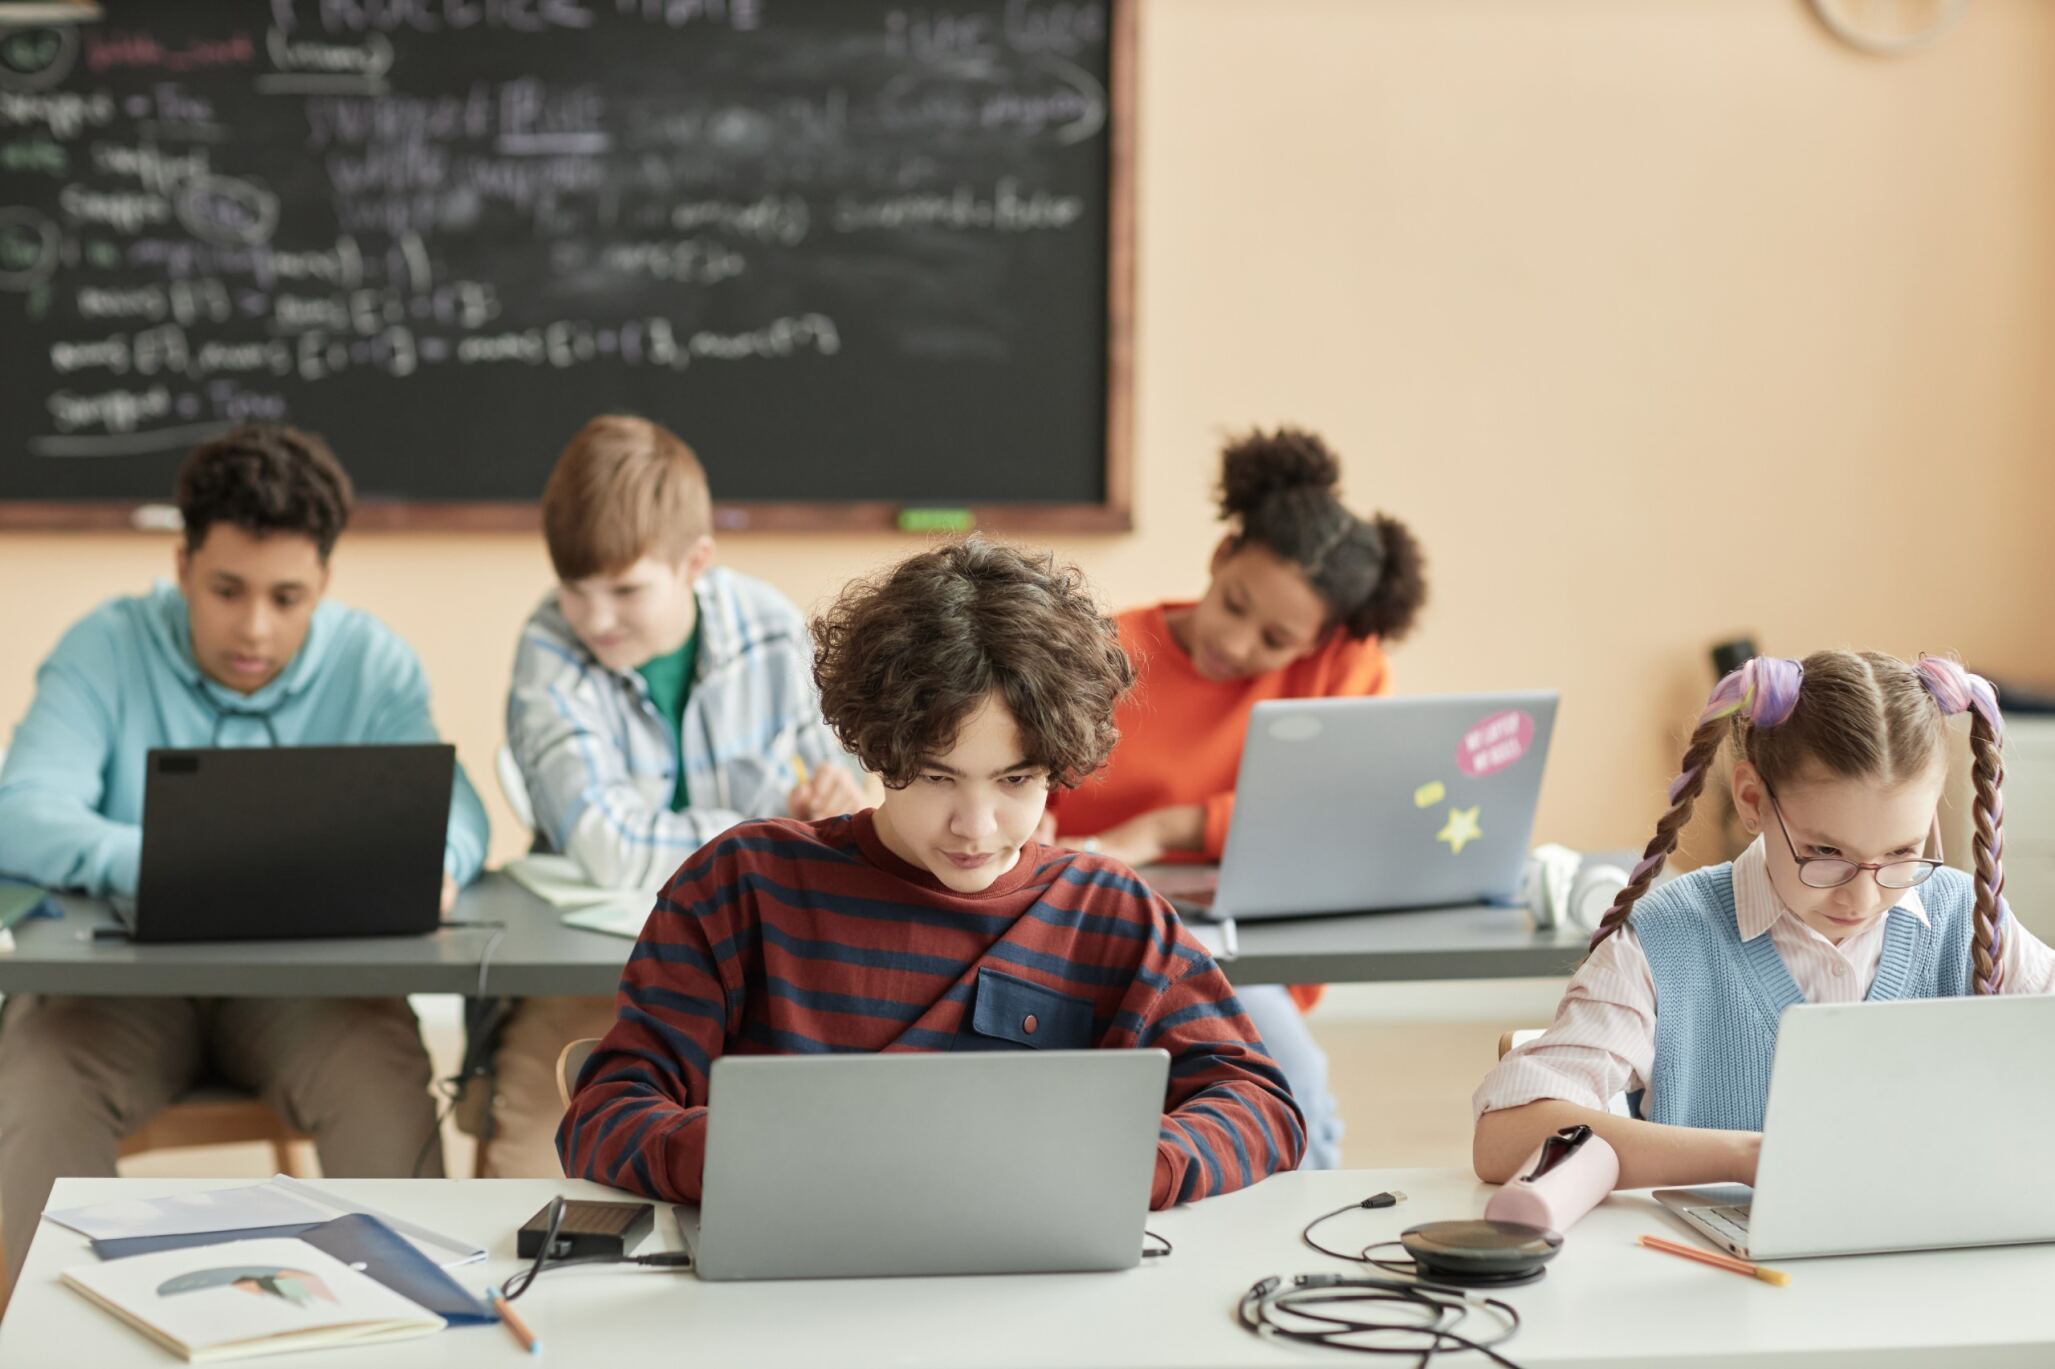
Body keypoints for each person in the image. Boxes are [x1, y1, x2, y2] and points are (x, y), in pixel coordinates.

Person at [559, 537, 1305, 1205]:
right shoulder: (742, 886)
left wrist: (1131, 1166)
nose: (975, 828)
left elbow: (1260, 1104)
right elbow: (605, 1113)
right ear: (877, 749)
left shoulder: (1109, 915)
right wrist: (751, 1160)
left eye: (1015, 781)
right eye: (938, 778)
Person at [0, 422, 488, 1276]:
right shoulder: (103, 646)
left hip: (307, 994)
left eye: (287, 597)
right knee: (37, 1082)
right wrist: (180, 859)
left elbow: (457, 813)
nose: (254, 627)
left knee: (382, 1076)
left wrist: (434, 861)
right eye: (227, 589)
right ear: (183, 564)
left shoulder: (375, 666)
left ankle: (422, 1326)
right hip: (119, 992)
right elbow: (22, 813)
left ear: (324, 582)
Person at [1472, 652, 2055, 1189]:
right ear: (1751, 800)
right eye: (1826, 855)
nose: (1863, 897)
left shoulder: (1968, 918)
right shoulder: (1666, 940)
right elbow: (1503, 1141)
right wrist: (1744, 1158)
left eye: (1902, 853)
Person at [485, 414, 864, 1176]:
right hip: (599, 971)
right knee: (527, 1171)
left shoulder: (770, 625)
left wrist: (839, 790)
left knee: (824, 1151)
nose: (594, 617)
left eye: (625, 589)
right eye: (574, 588)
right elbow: (607, 843)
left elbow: (847, 807)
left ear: (695, 561)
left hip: (767, 965)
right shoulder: (549, 646)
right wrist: (773, 832)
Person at [1046, 427, 1427, 1168]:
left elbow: (1333, 811)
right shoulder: (1095, 654)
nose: (1241, 643)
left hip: (1246, 944)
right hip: (1092, 928)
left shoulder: (1339, 666)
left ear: (1319, 640)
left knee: (1284, 1088)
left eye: (1278, 637)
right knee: (1280, 1084)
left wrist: (1161, 828)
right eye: (1234, 603)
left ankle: (1294, 1262)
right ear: (1219, 556)